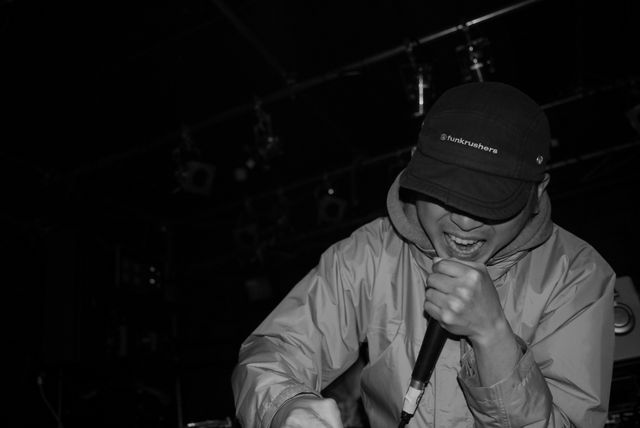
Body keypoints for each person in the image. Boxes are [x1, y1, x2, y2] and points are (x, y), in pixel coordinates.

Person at [231, 81, 616, 427]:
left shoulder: (577, 276)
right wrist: (287, 407)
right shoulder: (371, 253)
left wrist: (493, 337)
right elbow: (275, 350)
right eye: (447, 192)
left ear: (537, 191)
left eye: (491, 200)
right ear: (416, 163)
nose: (464, 221)